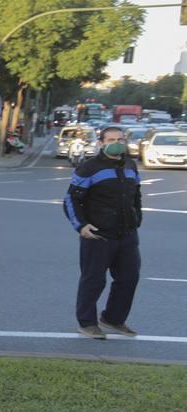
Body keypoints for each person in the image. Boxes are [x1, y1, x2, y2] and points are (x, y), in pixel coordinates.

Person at [65, 125, 141, 339]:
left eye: (120, 138)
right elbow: (71, 199)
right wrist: (81, 226)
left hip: (126, 234)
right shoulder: (90, 168)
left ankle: (113, 319)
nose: (117, 142)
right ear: (101, 143)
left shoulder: (130, 164)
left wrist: (138, 218)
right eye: (111, 140)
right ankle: (87, 323)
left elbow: (136, 195)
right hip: (98, 234)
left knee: (129, 278)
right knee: (94, 280)